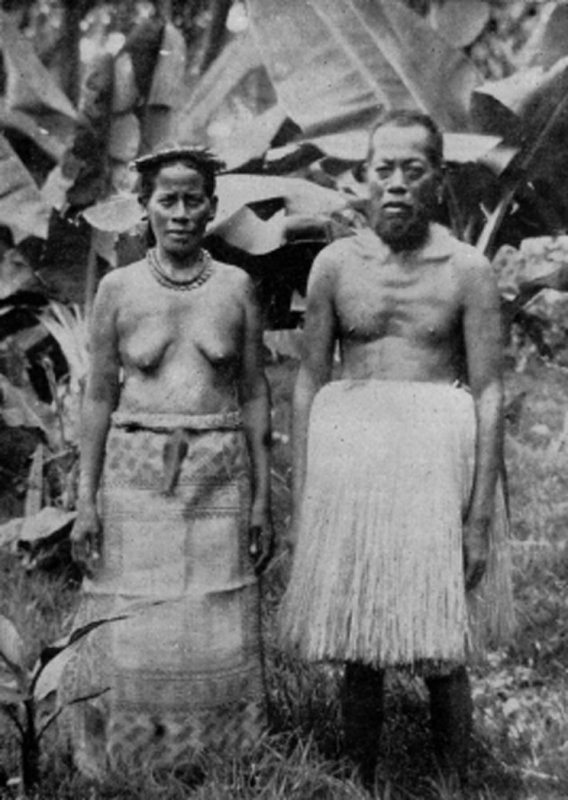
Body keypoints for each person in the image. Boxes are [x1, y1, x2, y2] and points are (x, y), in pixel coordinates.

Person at [279, 110, 514, 785]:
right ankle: (359, 779)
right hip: (353, 463)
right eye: (385, 169)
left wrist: (478, 520)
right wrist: (304, 497)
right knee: (359, 640)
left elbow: (490, 392)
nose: (397, 184)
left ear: (437, 180)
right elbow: (308, 381)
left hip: (434, 467)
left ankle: (448, 781)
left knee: (444, 643)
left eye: (414, 170)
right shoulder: (334, 266)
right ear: (365, 176)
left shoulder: (467, 270)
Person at [59, 145, 273, 779]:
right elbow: (98, 396)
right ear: (145, 207)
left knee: (214, 608)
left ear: (212, 206)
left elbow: (256, 392)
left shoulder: (236, 287)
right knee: (134, 611)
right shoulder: (119, 290)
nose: (180, 213)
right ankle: (127, 756)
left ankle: (220, 756)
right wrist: (85, 500)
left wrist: (263, 498)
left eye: (193, 200)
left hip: (217, 467)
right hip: (135, 466)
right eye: (166, 200)